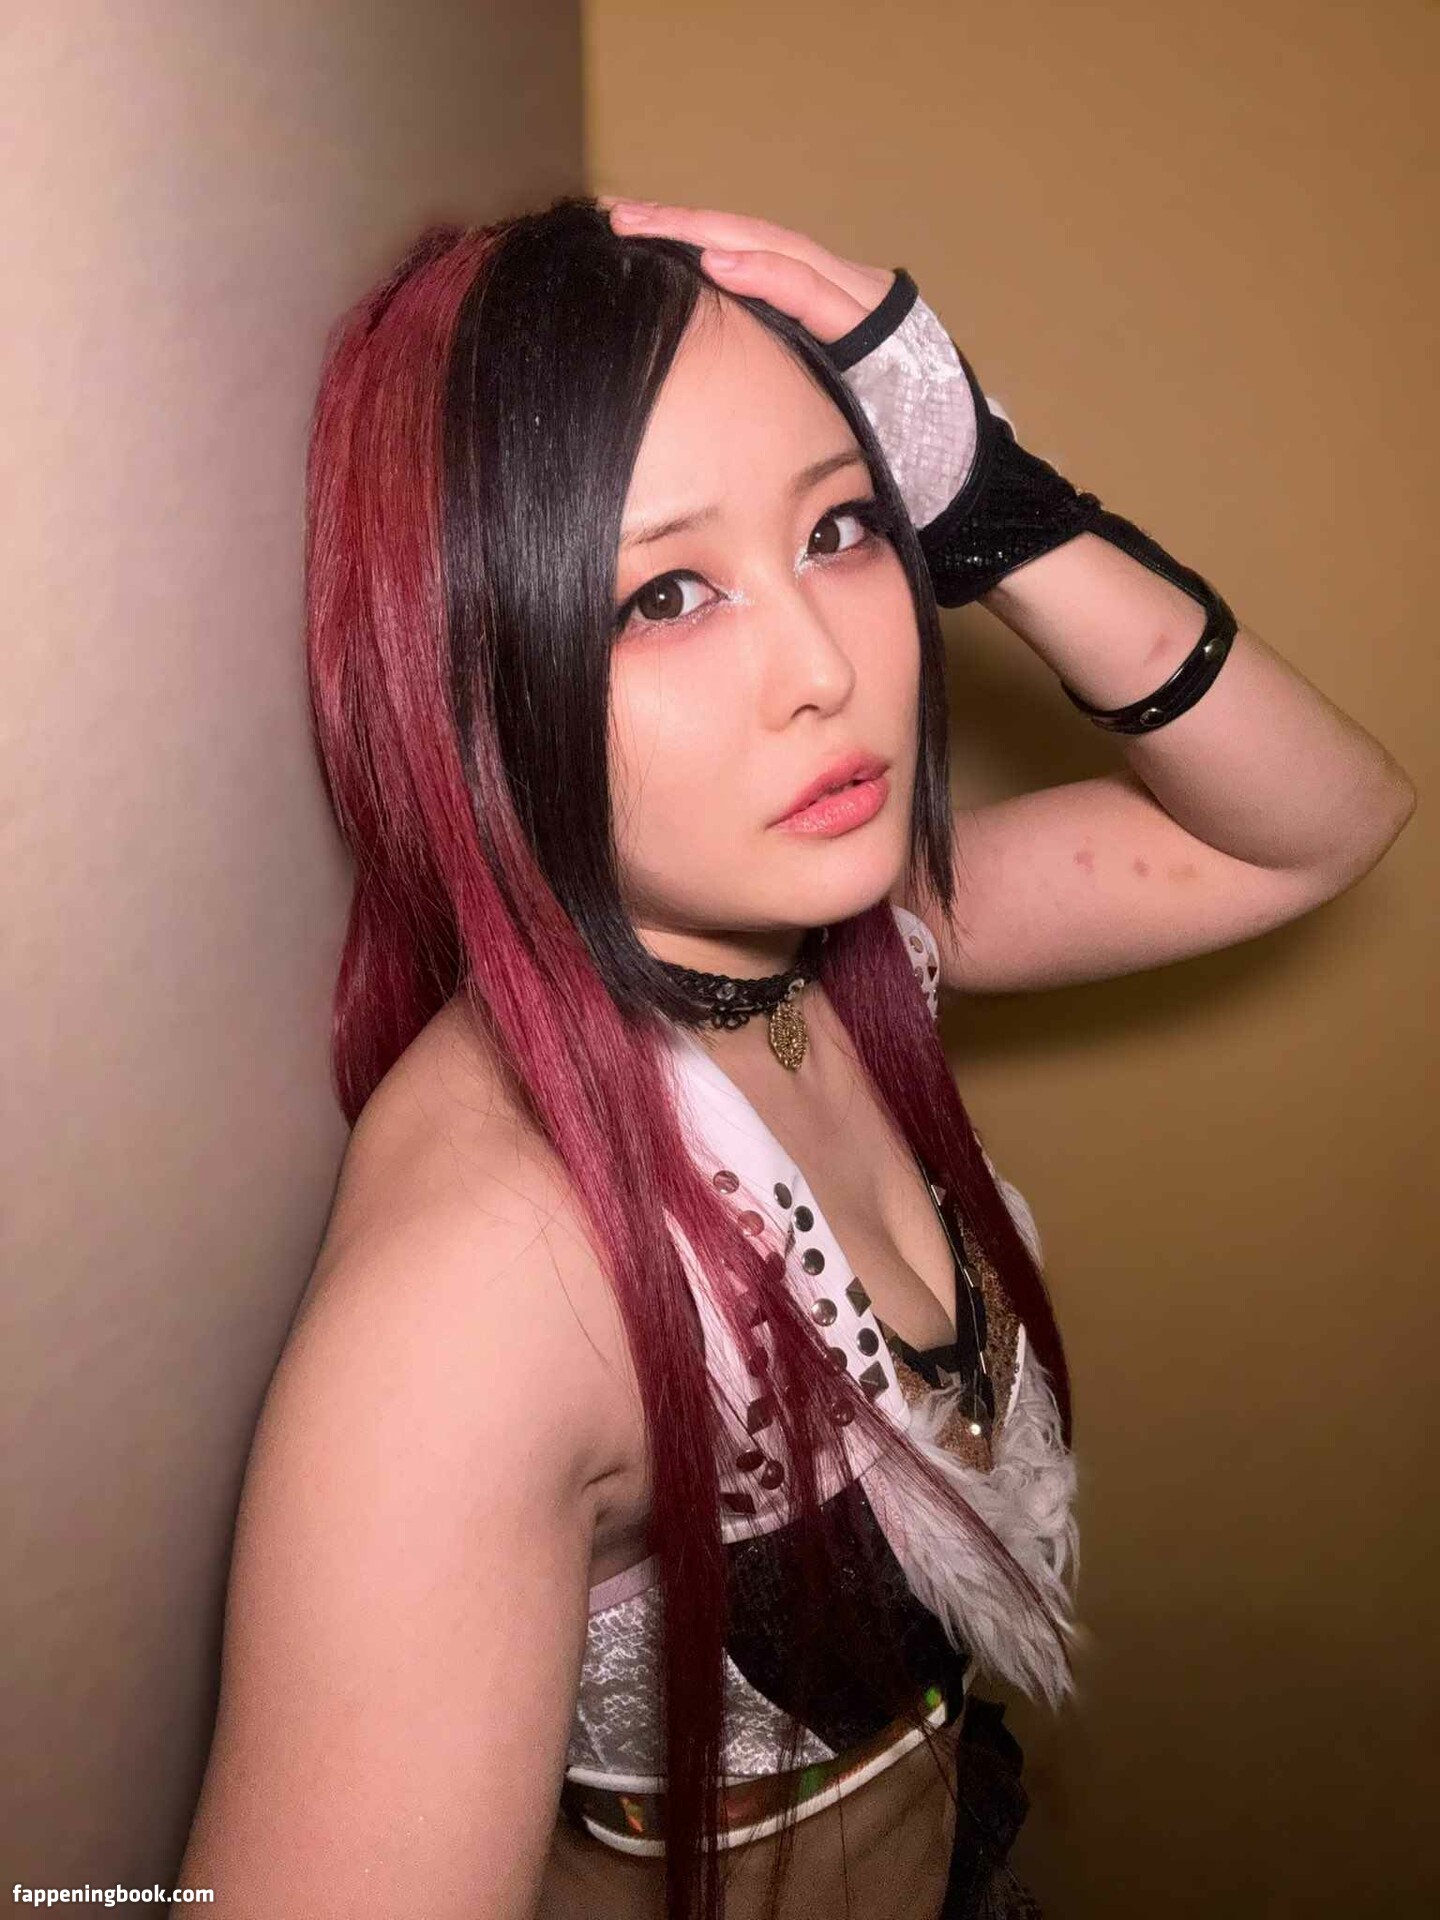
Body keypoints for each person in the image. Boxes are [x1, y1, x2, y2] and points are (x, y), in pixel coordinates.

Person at [172, 195, 1415, 1920]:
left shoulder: (839, 938)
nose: (828, 670)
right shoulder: (490, 1293)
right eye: (667, 593)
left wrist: (997, 503)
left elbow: (1320, 826)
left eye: (843, 528)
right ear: (467, 673)